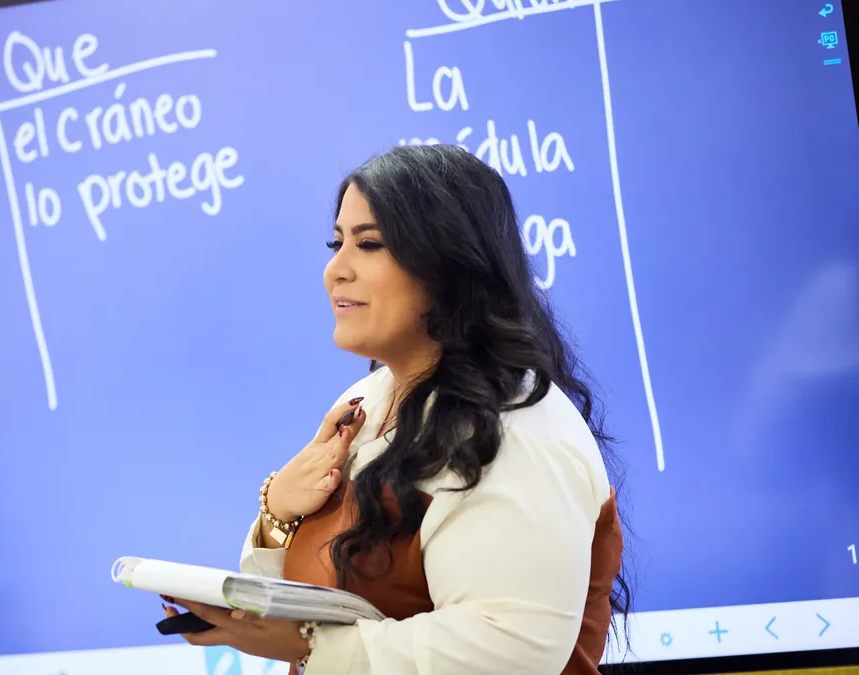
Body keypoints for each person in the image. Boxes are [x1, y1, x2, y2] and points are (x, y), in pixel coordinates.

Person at [163, 145, 629, 674]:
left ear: (449, 264)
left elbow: (507, 651)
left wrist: (310, 645)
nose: (334, 271)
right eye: (336, 243)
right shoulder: (363, 404)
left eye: (369, 244)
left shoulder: (515, 429)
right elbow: (313, 596)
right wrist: (278, 511)